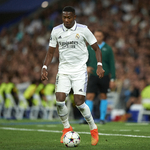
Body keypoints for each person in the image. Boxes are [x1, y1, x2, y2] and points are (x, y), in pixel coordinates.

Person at [41, 6, 105, 146]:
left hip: (80, 71)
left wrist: (99, 65)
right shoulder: (56, 31)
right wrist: (45, 67)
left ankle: (93, 128)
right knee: (59, 100)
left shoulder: (83, 29)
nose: (67, 20)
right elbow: (51, 52)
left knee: (79, 103)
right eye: (64, 17)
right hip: (63, 71)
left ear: (74, 17)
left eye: (69, 17)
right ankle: (66, 128)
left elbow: (96, 48)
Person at [83, 29, 116, 124]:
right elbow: (84, 61)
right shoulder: (89, 48)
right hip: (93, 75)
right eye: (95, 36)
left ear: (103, 37)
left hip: (104, 75)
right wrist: (86, 67)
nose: (97, 38)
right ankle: (87, 119)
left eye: (99, 36)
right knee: (89, 96)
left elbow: (112, 64)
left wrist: (113, 78)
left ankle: (102, 118)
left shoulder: (108, 48)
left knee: (103, 95)